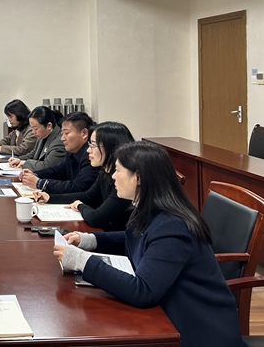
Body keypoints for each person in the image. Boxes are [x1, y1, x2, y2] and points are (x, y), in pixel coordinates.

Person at [54, 141, 245, 347]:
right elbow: (134, 238)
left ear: (138, 177)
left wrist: (83, 261)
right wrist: (89, 240)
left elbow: (143, 291)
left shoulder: (172, 225)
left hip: (198, 330)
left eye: (118, 170)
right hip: (169, 315)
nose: (113, 176)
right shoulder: (148, 209)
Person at [33, 121, 134, 231]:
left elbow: (96, 218)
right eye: (89, 145)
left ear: (111, 148)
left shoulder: (124, 179)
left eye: (93, 145)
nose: (88, 150)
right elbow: (88, 196)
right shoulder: (106, 171)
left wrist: (79, 205)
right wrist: (50, 198)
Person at [18, 111, 99, 194]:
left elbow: (78, 187)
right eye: (62, 134)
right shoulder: (72, 151)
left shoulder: (92, 156)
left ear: (84, 133)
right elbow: (58, 170)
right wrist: (35, 175)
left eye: (66, 133)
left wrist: (40, 183)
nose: (62, 138)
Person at [8, 106, 65, 171]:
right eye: (31, 128)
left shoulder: (60, 142)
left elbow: (47, 166)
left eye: (36, 129)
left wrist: (25, 163)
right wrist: (19, 159)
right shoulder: (43, 135)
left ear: (49, 126)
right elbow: (34, 153)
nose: (33, 132)